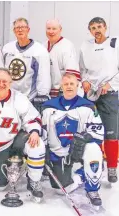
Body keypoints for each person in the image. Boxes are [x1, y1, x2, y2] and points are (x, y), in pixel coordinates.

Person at [0, 68, 45, 203]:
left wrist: (34, 131)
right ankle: (7, 167)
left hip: (14, 140)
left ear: (10, 82)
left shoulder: (19, 98)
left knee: (37, 144)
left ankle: (34, 181)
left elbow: (32, 118)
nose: (1, 84)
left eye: (4, 81)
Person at [42, 73, 104, 208]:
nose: (69, 86)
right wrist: (44, 152)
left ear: (78, 86)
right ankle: (81, 176)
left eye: (72, 84)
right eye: (66, 84)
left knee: (94, 149)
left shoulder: (88, 106)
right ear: (61, 87)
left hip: (78, 152)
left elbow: (98, 132)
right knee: (60, 189)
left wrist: (85, 138)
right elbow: (42, 131)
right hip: (57, 153)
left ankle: (93, 190)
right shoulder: (48, 107)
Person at [80, 17, 119, 183]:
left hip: (109, 93)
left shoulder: (115, 43)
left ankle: (111, 168)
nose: (96, 30)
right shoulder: (85, 46)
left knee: (111, 132)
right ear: (89, 30)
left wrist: (111, 83)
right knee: (89, 131)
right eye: (93, 28)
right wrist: (85, 80)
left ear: (105, 27)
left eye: (99, 27)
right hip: (90, 95)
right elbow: (82, 69)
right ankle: (91, 166)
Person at [2, 17, 51, 113]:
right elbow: (2, 72)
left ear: (28, 29)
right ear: (13, 30)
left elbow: (43, 75)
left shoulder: (39, 50)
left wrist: (42, 95)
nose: (20, 30)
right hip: (10, 98)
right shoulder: (7, 49)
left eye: (23, 27)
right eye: (17, 28)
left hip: (29, 99)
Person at [45, 19, 82, 98]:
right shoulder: (43, 45)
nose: (51, 31)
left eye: (54, 28)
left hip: (63, 94)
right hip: (48, 93)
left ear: (60, 30)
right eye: (48, 28)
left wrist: (65, 94)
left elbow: (71, 75)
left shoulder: (67, 46)